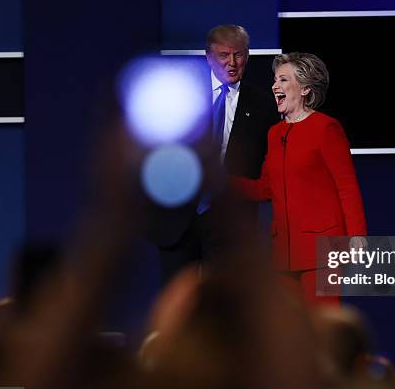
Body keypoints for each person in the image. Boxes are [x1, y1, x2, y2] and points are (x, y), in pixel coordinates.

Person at [233, 52, 367, 304]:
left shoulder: (326, 128)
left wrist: (357, 235)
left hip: (322, 250)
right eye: (275, 80)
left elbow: (347, 187)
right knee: (292, 333)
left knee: (322, 329)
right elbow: (265, 188)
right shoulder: (275, 134)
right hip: (283, 251)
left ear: (305, 89)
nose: (275, 86)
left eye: (283, 80)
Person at [147, 24, 278, 281]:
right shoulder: (181, 97)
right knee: (178, 302)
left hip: (229, 220)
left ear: (247, 56)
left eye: (238, 55)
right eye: (223, 55)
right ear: (208, 57)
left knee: (225, 305)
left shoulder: (263, 105)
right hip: (178, 218)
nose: (231, 62)